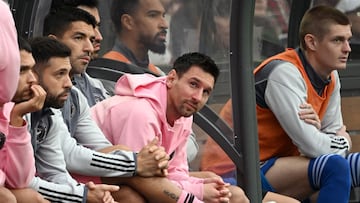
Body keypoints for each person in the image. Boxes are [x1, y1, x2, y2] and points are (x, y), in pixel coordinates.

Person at [204, 5, 355, 203]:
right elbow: (315, 146)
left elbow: (328, 135)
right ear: (311, 42)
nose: (347, 48)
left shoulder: (331, 75)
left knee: (353, 165)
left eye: (348, 40)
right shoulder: (283, 73)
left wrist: (327, 137)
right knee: (335, 166)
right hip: (237, 169)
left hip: (280, 163)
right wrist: (344, 141)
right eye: (338, 40)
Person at [91, 52, 251, 203]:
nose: (198, 97)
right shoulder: (140, 111)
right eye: (193, 84)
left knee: (231, 193)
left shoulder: (183, 113)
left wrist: (201, 184)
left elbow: (175, 172)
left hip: (132, 177)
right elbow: (140, 177)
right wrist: (199, 192)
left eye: (206, 92)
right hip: (88, 180)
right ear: (171, 78)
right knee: (133, 198)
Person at [0, 2, 50, 203]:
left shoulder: (13, 110)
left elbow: (20, 179)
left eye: (32, 69)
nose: (33, 80)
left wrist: (16, 118)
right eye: (21, 70)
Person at [103, 0, 167, 76]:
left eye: (163, 16)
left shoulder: (157, 73)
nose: (165, 25)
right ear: (128, 22)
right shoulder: (108, 69)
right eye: (153, 15)